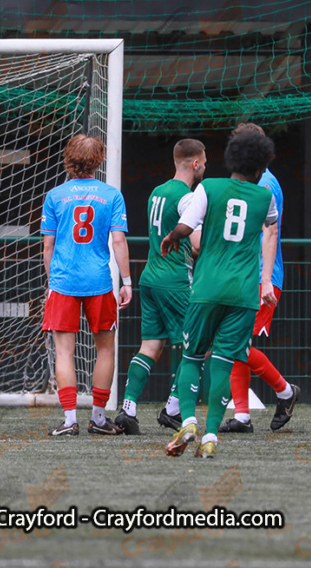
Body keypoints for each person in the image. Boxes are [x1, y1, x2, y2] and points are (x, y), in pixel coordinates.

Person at [161, 130, 279, 458]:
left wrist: (171, 237)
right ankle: (211, 434)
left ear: (231, 159)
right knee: (224, 364)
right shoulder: (264, 197)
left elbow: (186, 228)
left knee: (191, 357)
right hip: (243, 293)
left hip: (207, 288)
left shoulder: (209, 188)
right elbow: (270, 226)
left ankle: (187, 422)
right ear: (260, 168)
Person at [113, 139, 207, 435]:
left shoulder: (157, 192)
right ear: (194, 163)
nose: (205, 166)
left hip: (150, 277)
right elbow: (196, 245)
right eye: (203, 161)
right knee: (198, 346)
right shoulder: (188, 198)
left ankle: (128, 408)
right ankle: (173, 409)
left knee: (151, 346)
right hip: (174, 280)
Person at [41, 133, 132, 436]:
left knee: (64, 352)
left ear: (68, 158)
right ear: (99, 160)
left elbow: (48, 246)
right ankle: (99, 419)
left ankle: (69, 421)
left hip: (64, 282)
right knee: (105, 350)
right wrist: (127, 281)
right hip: (99, 282)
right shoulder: (111, 195)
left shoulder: (55, 195)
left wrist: (51, 282)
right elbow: (118, 241)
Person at [220, 123, 299, 434]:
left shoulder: (263, 183)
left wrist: (265, 279)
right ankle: (242, 415)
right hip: (241, 274)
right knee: (234, 345)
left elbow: (267, 230)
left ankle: (286, 391)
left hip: (259, 276)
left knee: (234, 344)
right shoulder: (249, 181)